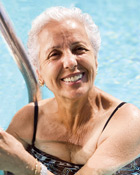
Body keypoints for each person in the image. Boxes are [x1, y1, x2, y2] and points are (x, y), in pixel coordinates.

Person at [0, 6, 140, 175]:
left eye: (79, 49)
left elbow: (21, 164)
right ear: (40, 75)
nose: (70, 62)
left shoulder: (127, 122)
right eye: (54, 54)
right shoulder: (29, 120)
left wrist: (27, 166)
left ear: (95, 61)